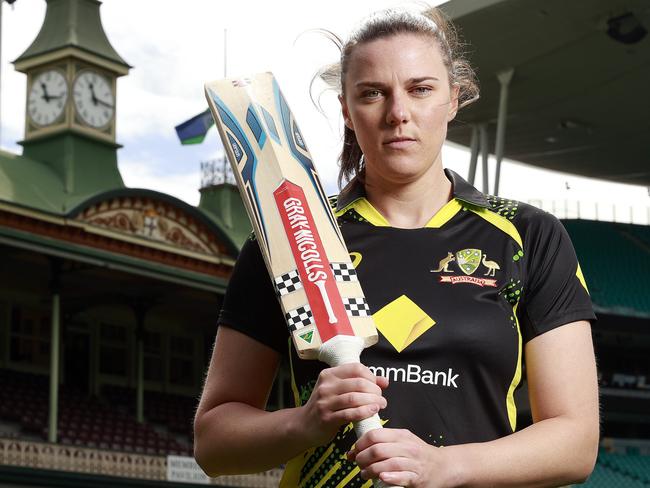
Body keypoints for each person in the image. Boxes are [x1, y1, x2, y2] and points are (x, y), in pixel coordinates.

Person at [194, 7, 599, 487]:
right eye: (372, 94)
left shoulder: (526, 236)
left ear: (454, 99)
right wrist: (304, 423)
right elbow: (213, 443)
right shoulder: (288, 239)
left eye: (420, 89)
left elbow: (576, 442)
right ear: (346, 109)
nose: (398, 113)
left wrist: (444, 466)